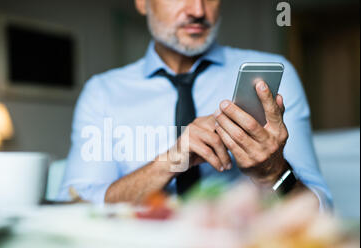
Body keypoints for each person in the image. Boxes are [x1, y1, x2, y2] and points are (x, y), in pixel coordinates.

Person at [58, 0, 332, 210]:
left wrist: (273, 172)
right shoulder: (102, 92)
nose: (198, 10)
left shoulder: (274, 74)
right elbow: (76, 208)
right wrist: (170, 161)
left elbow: (321, 213)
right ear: (142, 2)